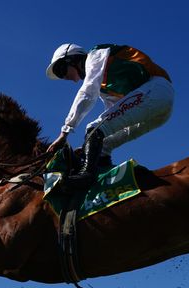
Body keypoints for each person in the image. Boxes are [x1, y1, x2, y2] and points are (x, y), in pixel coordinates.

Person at [45, 43, 174, 189]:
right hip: (159, 111)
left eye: (61, 70)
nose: (64, 77)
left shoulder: (95, 55)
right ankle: (103, 180)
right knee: (104, 142)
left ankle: (86, 177)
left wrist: (65, 132)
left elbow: (87, 93)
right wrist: (88, 147)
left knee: (94, 129)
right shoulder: (104, 87)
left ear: (72, 59)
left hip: (156, 90)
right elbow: (113, 113)